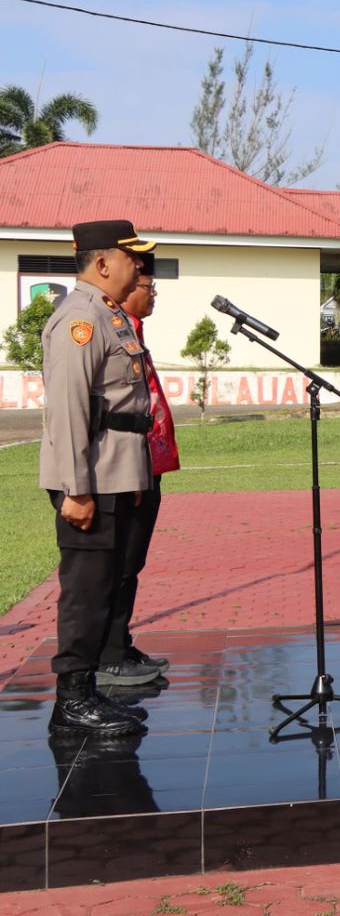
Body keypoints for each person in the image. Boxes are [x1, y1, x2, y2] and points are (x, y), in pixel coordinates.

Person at [39, 219, 158, 737]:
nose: (139, 266)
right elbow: (68, 410)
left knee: (106, 587)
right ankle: (71, 702)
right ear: (104, 262)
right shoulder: (80, 319)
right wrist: (76, 489)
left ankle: (88, 692)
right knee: (85, 592)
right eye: (132, 257)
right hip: (92, 479)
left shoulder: (107, 314)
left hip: (117, 472)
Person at [101, 255, 180, 682]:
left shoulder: (133, 331)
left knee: (133, 561)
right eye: (148, 286)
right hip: (126, 463)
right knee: (119, 561)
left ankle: (120, 642)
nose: (153, 295)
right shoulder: (110, 331)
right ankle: (108, 653)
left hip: (147, 463)